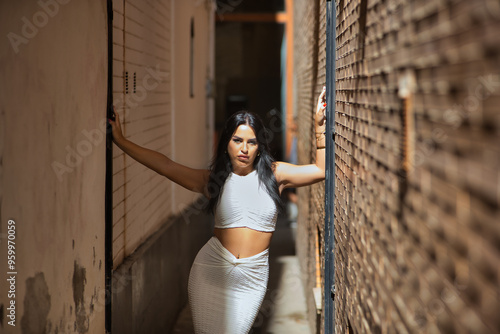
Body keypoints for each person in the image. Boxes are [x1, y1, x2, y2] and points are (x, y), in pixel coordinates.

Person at [108, 87, 327, 333]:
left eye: (252, 142)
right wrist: (122, 141)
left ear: (259, 147)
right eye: (237, 140)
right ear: (227, 144)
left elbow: (320, 170)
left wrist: (320, 127)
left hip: (252, 279)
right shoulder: (214, 180)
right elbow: (165, 166)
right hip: (211, 271)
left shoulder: (276, 175)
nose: (244, 148)